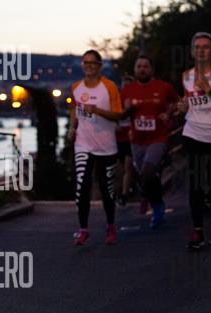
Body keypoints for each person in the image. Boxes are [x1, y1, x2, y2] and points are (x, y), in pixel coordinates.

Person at [176, 32, 211, 250]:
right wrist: (183, 106)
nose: (201, 50)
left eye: (206, 47)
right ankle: (198, 230)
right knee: (196, 183)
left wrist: (208, 89)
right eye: (197, 47)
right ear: (192, 51)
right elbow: (189, 103)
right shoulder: (186, 76)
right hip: (194, 133)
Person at [67, 50, 124, 246]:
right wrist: (72, 128)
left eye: (92, 63)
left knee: (107, 189)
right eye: (85, 62)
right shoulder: (76, 87)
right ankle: (83, 229)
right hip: (83, 143)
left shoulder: (109, 87)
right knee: (82, 185)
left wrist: (97, 110)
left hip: (106, 145)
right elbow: (74, 109)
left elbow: (118, 115)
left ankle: (110, 226)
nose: (89, 66)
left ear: (99, 65)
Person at [120, 56, 180, 228]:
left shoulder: (163, 87)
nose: (142, 69)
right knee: (144, 177)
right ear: (134, 70)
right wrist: (127, 110)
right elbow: (119, 114)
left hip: (158, 138)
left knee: (148, 172)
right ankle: (156, 201)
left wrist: (168, 113)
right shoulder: (127, 90)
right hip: (137, 141)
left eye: (145, 66)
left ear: (151, 70)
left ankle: (157, 206)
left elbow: (178, 102)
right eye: (139, 66)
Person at [115, 75, 135, 207]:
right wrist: (115, 125)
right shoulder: (117, 100)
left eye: (129, 85)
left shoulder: (136, 100)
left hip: (132, 138)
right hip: (119, 138)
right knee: (123, 167)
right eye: (124, 85)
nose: (126, 88)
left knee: (128, 165)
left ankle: (124, 195)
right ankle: (130, 187)